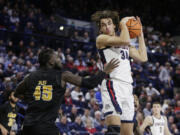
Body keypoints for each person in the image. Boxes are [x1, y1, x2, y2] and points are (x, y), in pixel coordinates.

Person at [14, 48, 119, 135]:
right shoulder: (63, 75)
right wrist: (104, 71)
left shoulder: (30, 76)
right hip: (46, 128)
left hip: (28, 127)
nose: (60, 59)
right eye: (57, 58)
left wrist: (36, 98)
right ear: (51, 61)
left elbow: (17, 93)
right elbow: (90, 83)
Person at [91, 10, 148, 135]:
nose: (107, 27)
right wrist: (123, 23)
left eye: (109, 23)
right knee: (114, 131)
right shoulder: (101, 39)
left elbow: (143, 57)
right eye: (103, 25)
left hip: (127, 87)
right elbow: (125, 40)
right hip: (113, 85)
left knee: (127, 133)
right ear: (100, 29)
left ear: (114, 25)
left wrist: (140, 33)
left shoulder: (124, 42)